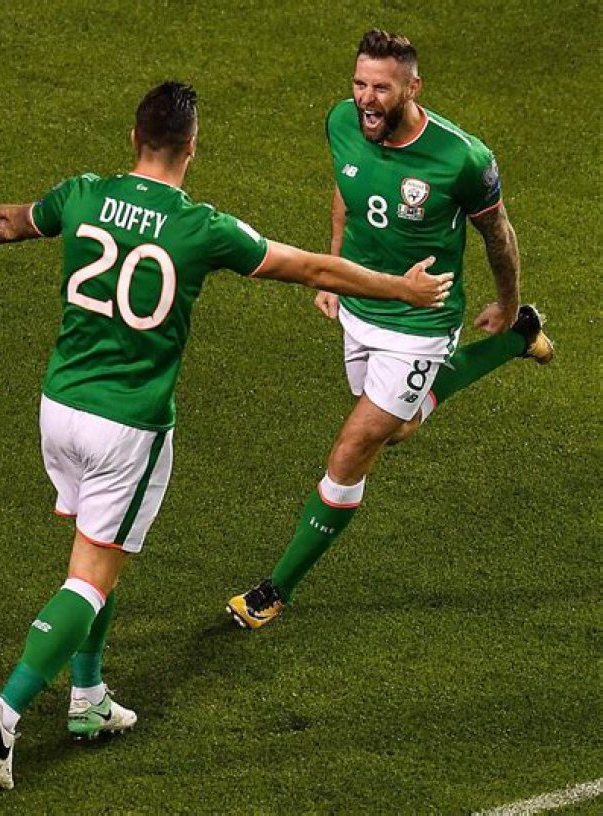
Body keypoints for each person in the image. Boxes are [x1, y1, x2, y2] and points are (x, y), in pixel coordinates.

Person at [0, 81, 452, 789]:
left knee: (97, 552)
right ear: (192, 148)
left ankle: (88, 697)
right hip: (129, 425)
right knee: (90, 577)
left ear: (133, 138)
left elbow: (11, 221)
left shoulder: (82, 194)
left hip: (59, 407)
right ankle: (6, 710)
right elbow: (312, 267)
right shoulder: (201, 227)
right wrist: (402, 289)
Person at [227, 30, 553, 629]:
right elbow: (346, 191)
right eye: (359, 84)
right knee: (396, 430)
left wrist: (507, 301)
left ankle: (274, 591)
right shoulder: (342, 122)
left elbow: (498, 234)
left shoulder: (463, 159)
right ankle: (517, 341)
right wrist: (332, 273)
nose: (366, 99)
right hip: (360, 306)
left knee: (352, 451)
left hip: (420, 323)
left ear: (412, 87)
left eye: (380, 87)